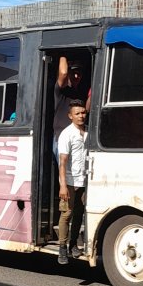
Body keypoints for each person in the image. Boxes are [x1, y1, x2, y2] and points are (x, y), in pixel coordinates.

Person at [57, 99, 88, 265]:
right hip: (69, 181)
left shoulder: (88, 132)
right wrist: (63, 185)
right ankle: (62, 248)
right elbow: (62, 162)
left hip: (84, 180)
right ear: (70, 116)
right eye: (77, 113)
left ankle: (73, 244)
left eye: (83, 112)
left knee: (79, 214)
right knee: (67, 214)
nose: (81, 116)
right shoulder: (66, 134)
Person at [53, 56, 87, 160]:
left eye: (79, 73)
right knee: (66, 173)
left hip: (78, 139)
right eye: (73, 73)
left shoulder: (81, 93)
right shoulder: (61, 90)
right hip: (63, 139)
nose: (76, 76)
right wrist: (62, 54)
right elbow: (63, 73)